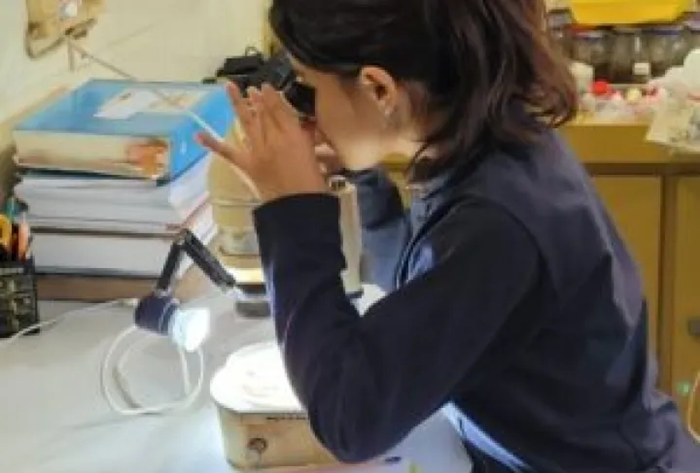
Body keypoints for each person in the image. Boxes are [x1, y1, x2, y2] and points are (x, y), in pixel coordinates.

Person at [197, 0, 700, 471]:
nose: (306, 117)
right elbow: (418, 284)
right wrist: (361, 178)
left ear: (379, 89)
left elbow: (349, 417)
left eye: (308, 91)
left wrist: (292, 213)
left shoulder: (497, 220)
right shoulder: (482, 147)